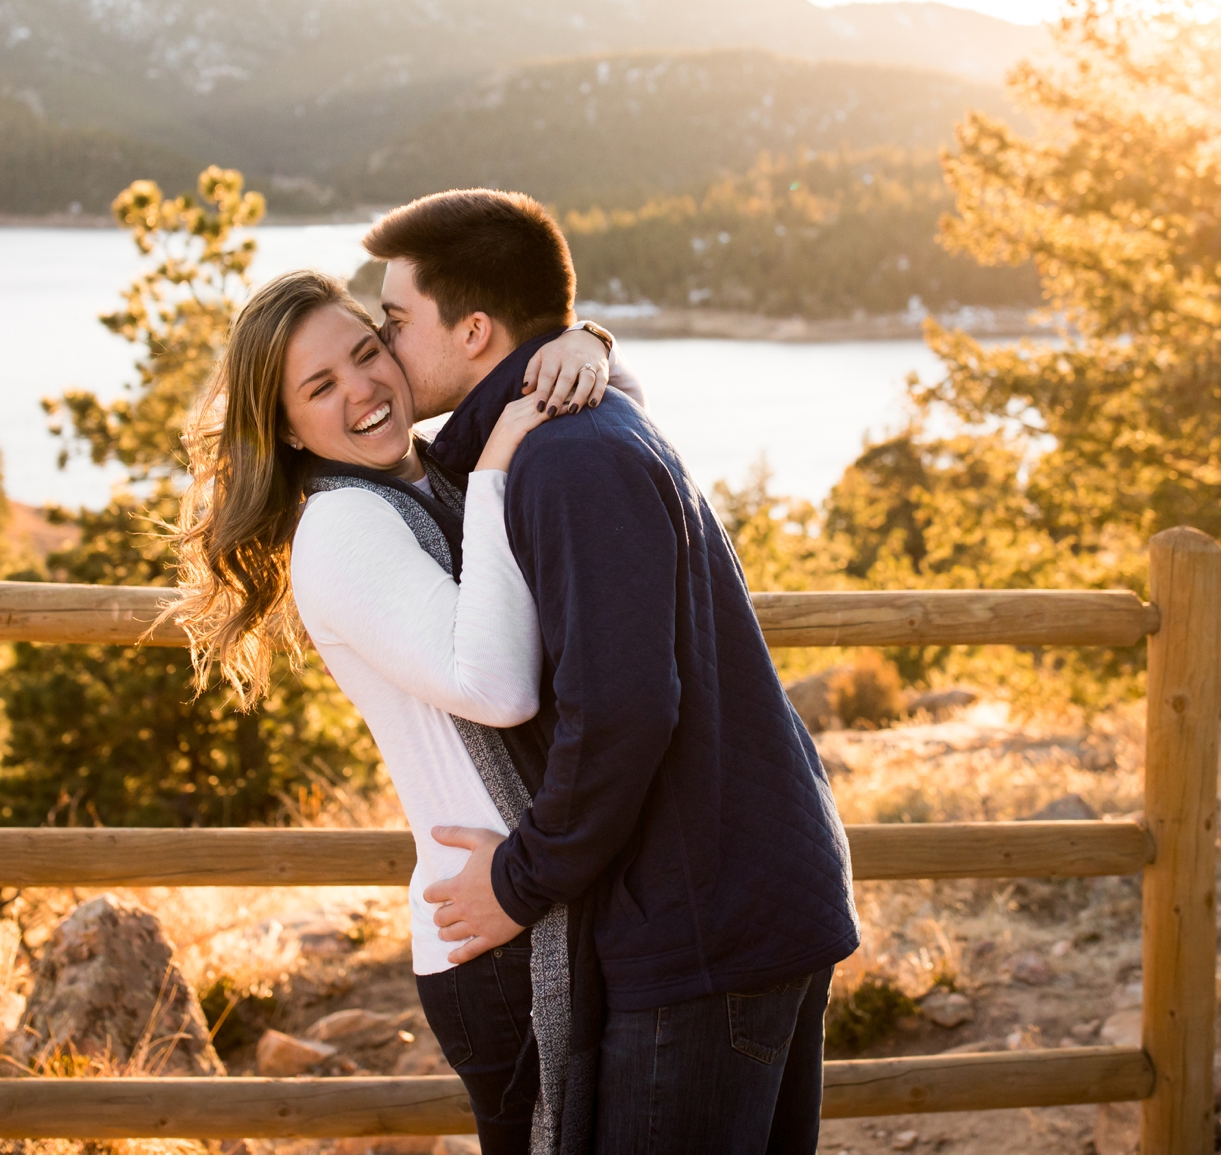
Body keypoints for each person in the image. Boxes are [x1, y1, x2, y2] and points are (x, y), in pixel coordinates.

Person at [363, 188, 860, 1155]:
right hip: (735, 900)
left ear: (473, 331)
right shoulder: (568, 422)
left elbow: (625, 709)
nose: (382, 351)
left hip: (705, 927)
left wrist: (518, 881)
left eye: (393, 323)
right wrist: (588, 335)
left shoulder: (568, 457)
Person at [168, 267, 625, 1154]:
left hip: (532, 895)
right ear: (288, 427)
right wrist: (497, 469)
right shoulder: (345, 527)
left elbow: (576, 396)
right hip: (490, 933)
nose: (363, 389)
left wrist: (586, 342)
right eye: (320, 386)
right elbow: (497, 685)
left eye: (368, 352)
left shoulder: (432, 473)